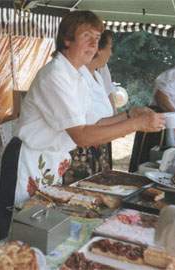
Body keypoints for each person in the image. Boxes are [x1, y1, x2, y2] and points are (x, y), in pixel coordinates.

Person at [0, 10, 165, 241]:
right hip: (27, 159)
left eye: (97, 37)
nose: (94, 43)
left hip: (49, 160)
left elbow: (93, 123)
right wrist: (136, 123)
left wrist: (129, 115)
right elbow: (82, 136)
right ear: (67, 39)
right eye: (86, 36)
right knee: (15, 227)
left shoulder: (77, 74)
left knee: (40, 225)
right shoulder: (55, 74)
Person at [64, 30, 116, 183]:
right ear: (99, 50)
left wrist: (129, 117)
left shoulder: (98, 76)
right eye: (110, 48)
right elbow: (88, 123)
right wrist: (132, 122)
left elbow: (105, 115)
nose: (111, 53)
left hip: (98, 148)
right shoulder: (77, 75)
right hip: (80, 152)